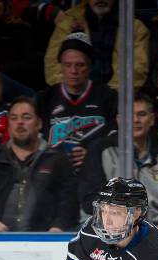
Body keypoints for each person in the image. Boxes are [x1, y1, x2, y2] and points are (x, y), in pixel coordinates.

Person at [77, 92, 158, 231]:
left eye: (142, 114)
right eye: (130, 115)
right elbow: (89, 199)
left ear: (152, 119)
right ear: (119, 120)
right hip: (109, 228)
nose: (135, 120)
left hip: (156, 229)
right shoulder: (100, 151)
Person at [0, 96, 79, 231]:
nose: (19, 123)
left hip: (44, 241)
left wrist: (59, 226)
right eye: (14, 118)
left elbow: (70, 202)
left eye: (26, 117)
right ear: (9, 124)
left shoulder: (57, 159)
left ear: (39, 123)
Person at [36, 32, 117, 170]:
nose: (73, 71)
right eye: (67, 65)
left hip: (96, 171)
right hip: (55, 173)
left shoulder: (108, 96)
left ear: (90, 67)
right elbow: (36, 140)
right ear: (60, 66)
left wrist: (94, 155)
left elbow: (116, 138)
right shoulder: (45, 98)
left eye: (80, 65)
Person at [44, 0, 149, 89]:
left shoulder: (134, 27)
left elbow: (136, 69)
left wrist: (111, 97)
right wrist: (71, 93)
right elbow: (53, 65)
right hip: (75, 97)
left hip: (116, 99)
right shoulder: (68, 23)